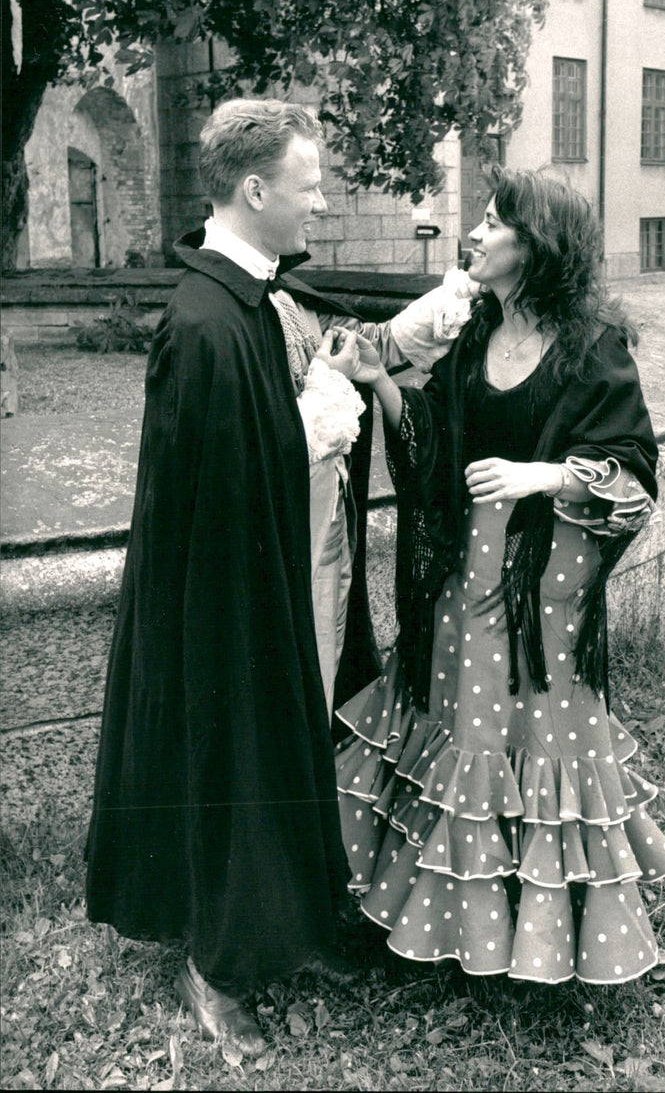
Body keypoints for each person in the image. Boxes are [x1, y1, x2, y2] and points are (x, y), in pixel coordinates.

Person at [85, 98, 474, 1053]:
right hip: (223, 602)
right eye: (308, 186)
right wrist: (312, 422)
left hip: (277, 580)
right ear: (255, 190)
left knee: (294, 745)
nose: (322, 202)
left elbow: (260, 436)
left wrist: (321, 396)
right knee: (232, 764)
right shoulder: (203, 320)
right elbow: (204, 491)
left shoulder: (253, 298)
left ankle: (290, 924)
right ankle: (217, 968)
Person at [336, 168, 665, 985]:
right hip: (464, 578)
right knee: (467, 736)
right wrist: (380, 378)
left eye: (493, 224)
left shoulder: (594, 347)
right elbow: (427, 444)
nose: (475, 234)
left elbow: (631, 474)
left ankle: (545, 931)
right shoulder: (472, 330)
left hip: (540, 592)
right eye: (481, 221)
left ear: (538, 247)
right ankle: (468, 927)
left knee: (538, 748)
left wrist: (544, 476)